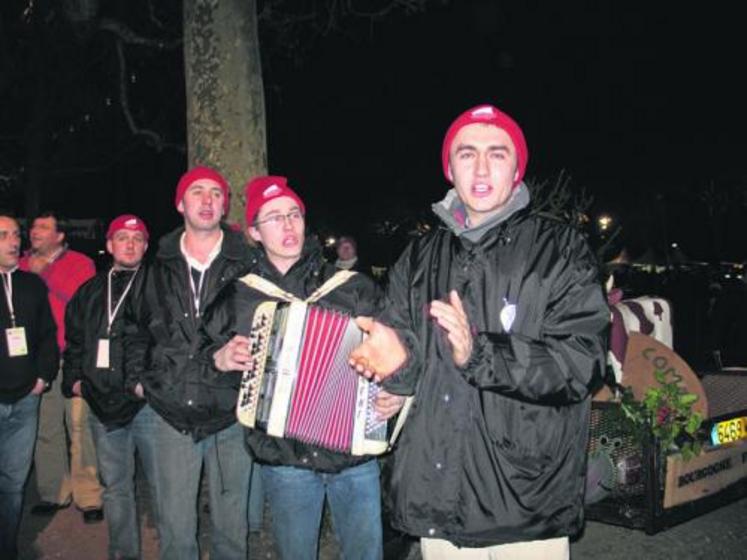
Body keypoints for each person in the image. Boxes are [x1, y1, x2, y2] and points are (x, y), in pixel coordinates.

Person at [350, 104, 609, 559]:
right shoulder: (418, 256)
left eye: (498, 153)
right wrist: (395, 371)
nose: (483, 167)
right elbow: (405, 351)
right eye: (467, 154)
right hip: (437, 491)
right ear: (450, 170)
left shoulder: (561, 250)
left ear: (517, 168)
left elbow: (581, 362)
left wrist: (481, 354)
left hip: (524, 499)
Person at [207, 175, 403, 560]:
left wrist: (394, 390)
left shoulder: (351, 286)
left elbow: (395, 349)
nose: (288, 224)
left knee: (366, 553)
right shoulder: (239, 294)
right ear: (255, 232)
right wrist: (220, 359)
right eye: (274, 217)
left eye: (294, 214)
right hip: (284, 456)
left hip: (353, 451)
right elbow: (203, 357)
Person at [124, 166, 254, 560]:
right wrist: (139, 382)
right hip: (171, 413)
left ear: (224, 205)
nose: (208, 200)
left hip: (232, 413)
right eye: (197, 192)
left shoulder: (248, 264)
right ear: (181, 203)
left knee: (233, 526)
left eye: (216, 193)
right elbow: (131, 330)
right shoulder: (155, 266)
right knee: (176, 527)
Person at [62, 214, 159, 560]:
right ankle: (124, 554)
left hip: (149, 407)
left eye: (137, 239)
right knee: (116, 488)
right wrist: (74, 380)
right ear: (109, 245)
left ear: (146, 246)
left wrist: (153, 386)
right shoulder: (89, 291)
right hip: (102, 403)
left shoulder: (160, 287)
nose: (129, 244)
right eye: (122, 237)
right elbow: (74, 340)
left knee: (164, 489)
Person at [20, 211, 104, 523]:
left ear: (59, 236)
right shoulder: (21, 262)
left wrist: (45, 274)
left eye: (43, 227)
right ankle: (53, 491)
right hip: (37, 359)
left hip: (73, 357)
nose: (34, 232)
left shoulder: (80, 263)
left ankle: (89, 497)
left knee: (80, 425)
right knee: (46, 427)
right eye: (33, 227)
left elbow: (83, 302)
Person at [0, 213, 58, 559]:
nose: (14, 241)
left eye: (16, 234)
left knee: (13, 485)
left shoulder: (32, 284)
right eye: (4, 235)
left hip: (25, 400)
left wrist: (43, 376)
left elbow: (47, 334)